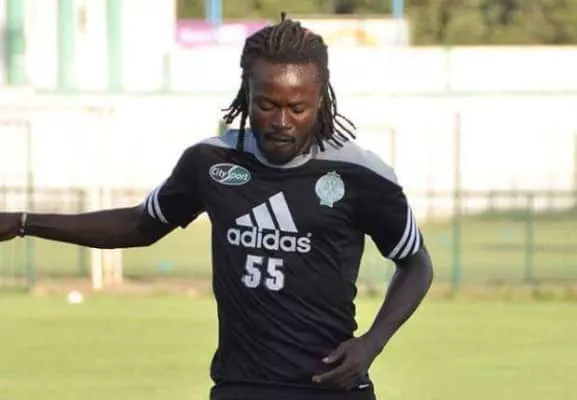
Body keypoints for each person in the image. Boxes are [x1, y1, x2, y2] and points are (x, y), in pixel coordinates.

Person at [0, 13, 433, 400]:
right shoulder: (210, 163)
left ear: (320, 100)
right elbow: (139, 225)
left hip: (331, 388)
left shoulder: (362, 176)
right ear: (247, 94)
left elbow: (416, 264)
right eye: (267, 105)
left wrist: (372, 343)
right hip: (240, 386)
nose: (281, 122)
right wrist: (23, 222)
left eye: (297, 108)